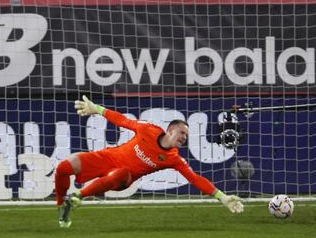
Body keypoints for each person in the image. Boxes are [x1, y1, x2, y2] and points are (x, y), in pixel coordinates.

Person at [54, 96, 244, 228]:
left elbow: (195, 179)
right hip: (107, 158)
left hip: (123, 178)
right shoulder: (148, 129)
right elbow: (122, 121)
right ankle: (61, 204)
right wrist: (97, 109)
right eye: (182, 133)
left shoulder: (174, 159)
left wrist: (223, 197)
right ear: (170, 130)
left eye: (187, 135)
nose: (184, 137)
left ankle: (78, 196)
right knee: (63, 168)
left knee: (119, 173)